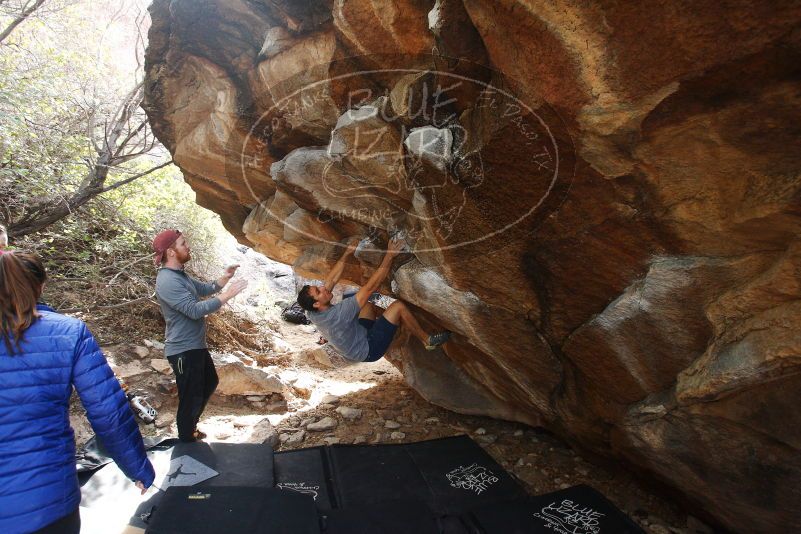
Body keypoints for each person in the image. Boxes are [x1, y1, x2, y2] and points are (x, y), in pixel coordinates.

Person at [0, 251, 155, 534]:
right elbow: (108, 413)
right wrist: (138, 467)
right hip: (46, 501)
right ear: (40, 287)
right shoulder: (67, 333)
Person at [152, 229, 247, 442]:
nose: (188, 246)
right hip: (183, 351)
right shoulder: (167, 280)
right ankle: (186, 437)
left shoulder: (179, 274)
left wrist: (225, 278)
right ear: (171, 251)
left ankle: (190, 428)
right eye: (183, 244)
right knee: (191, 396)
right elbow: (194, 310)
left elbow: (204, 289)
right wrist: (228, 295)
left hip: (195, 346)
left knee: (209, 383)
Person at [297, 239, 450, 362]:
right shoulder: (338, 315)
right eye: (318, 291)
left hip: (357, 336)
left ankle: (391, 324)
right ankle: (426, 340)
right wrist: (389, 255)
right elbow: (371, 287)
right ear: (317, 303)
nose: (323, 288)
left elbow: (331, 280)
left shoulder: (312, 311)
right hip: (368, 350)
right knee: (398, 306)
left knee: (367, 306)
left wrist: (347, 253)